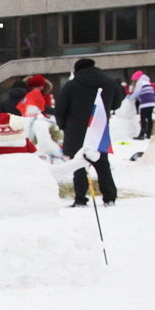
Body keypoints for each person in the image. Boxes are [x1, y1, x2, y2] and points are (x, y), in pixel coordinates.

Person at [54, 58, 124, 206]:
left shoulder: (71, 85)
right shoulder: (109, 83)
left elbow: (60, 109)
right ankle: (109, 197)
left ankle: (80, 198)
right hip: (99, 128)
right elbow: (117, 103)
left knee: (78, 165)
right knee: (102, 163)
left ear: (76, 70)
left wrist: (63, 126)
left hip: (75, 130)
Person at [130, 71, 155, 140]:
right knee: (149, 117)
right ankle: (148, 134)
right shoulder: (147, 82)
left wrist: (130, 98)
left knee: (143, 118)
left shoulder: (140, 82)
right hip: (152, 102)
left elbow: (137, 92)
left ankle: (141, 134)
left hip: (145, 102)